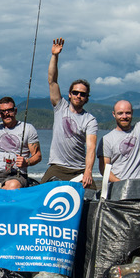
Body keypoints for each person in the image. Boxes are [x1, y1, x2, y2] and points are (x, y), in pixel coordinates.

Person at [42, 38, 98, 187]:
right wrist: (55, 56)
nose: (79, 96)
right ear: (70, 94)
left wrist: (88, 171)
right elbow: (52, 81)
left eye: (82, 94)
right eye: (76, 92)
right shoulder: (60, 107)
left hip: (79, 169)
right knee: (41, 195)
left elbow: (91, 147)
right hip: (57, 167)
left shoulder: (90, 120)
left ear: (87, 98)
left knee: (94, 199)